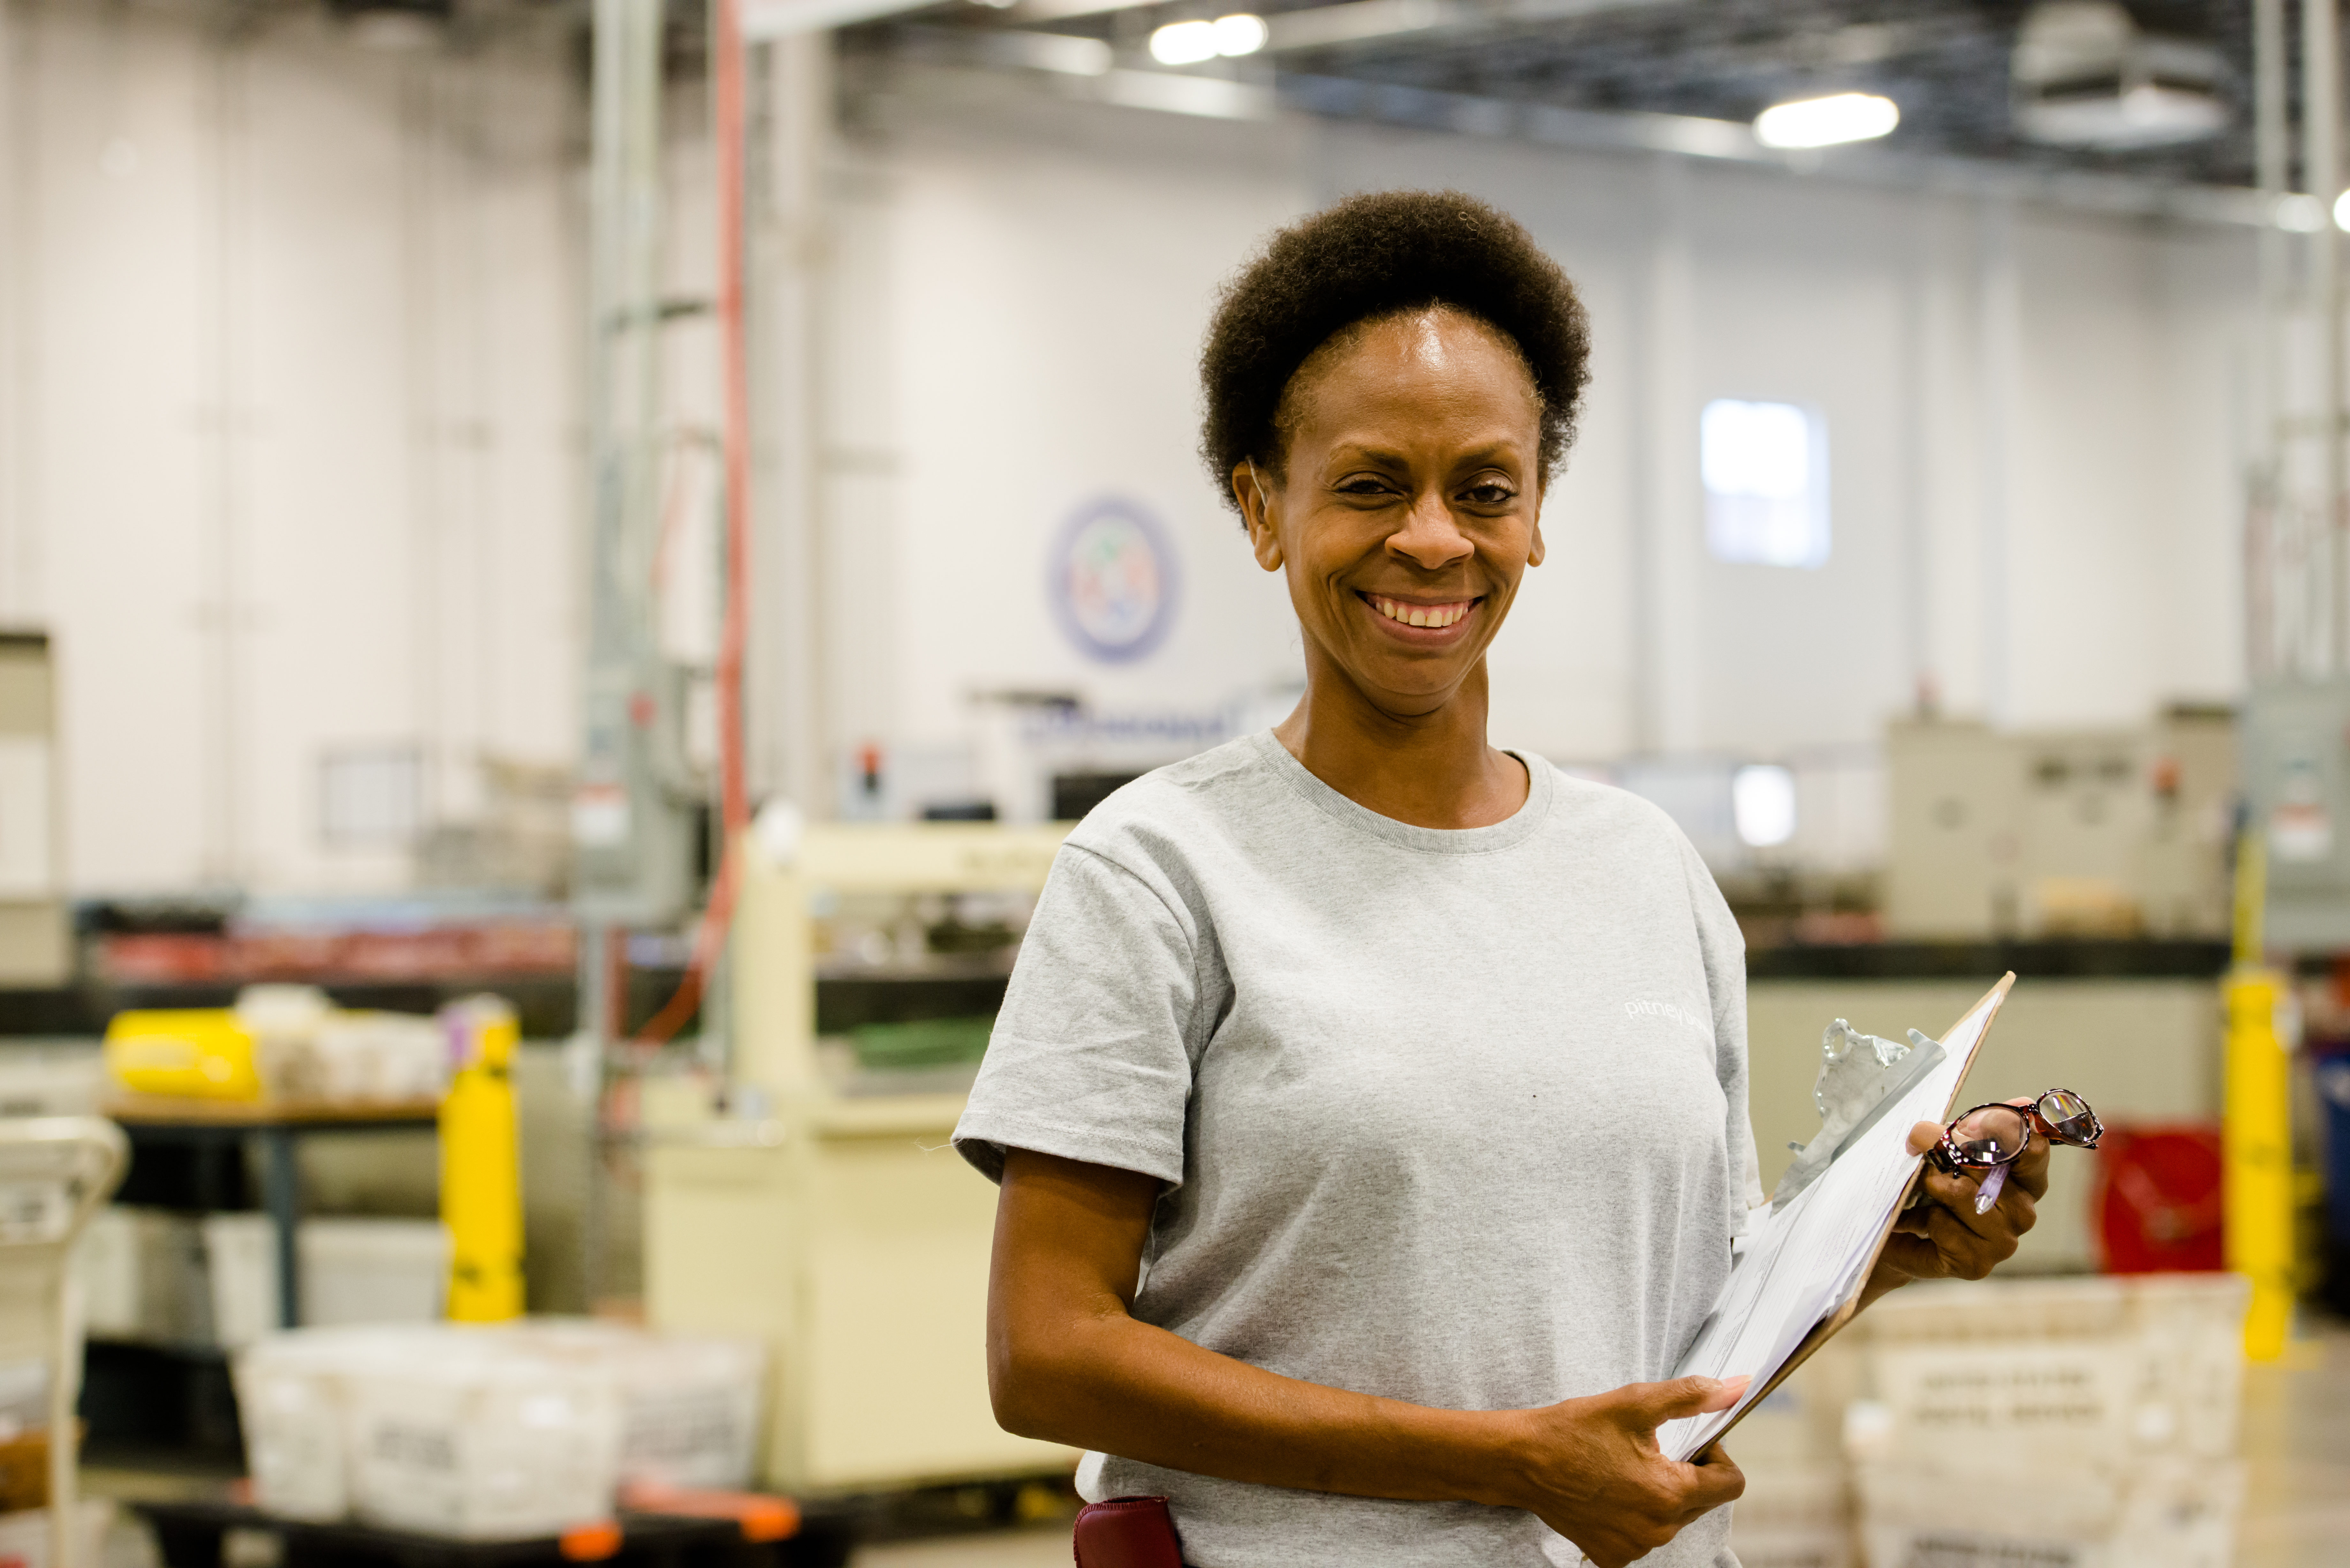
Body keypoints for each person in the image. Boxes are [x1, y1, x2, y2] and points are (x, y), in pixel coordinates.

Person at [952, 190, 2045, 1568]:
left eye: (1484, 488)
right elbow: (1045, 1354)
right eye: (1367, 484)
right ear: (1260, 509)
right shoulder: (1159, 873)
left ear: (1535, 516)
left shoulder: (1648, 873)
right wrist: (1504, 1462)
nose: (1431, 540)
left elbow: (1685, 1311)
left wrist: (1877, 1247)